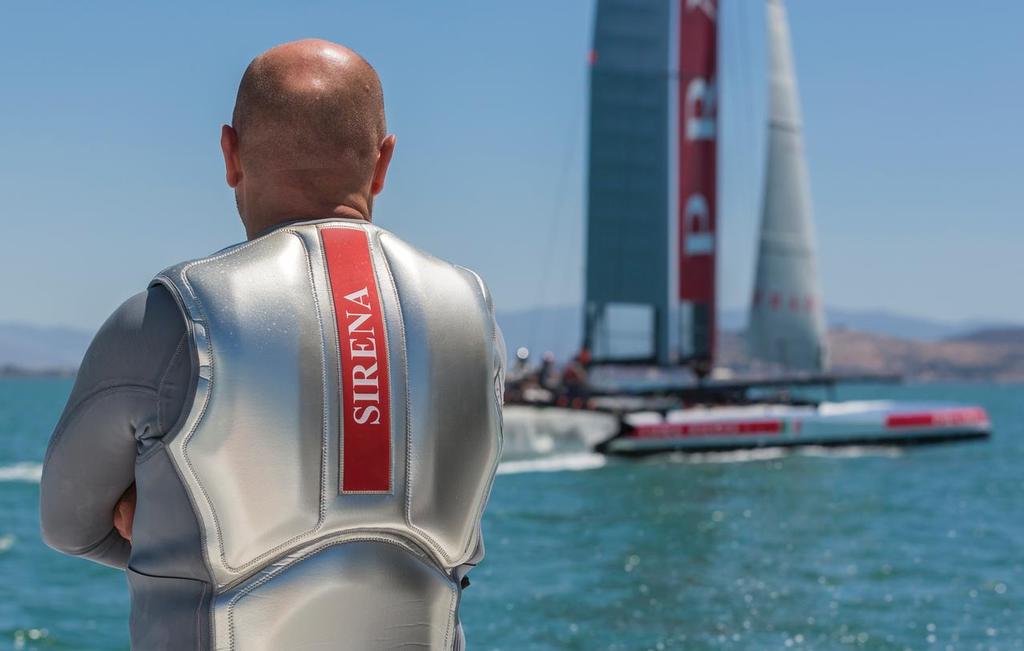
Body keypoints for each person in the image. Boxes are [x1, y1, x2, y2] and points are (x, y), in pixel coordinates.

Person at [39, 39, 505, 650]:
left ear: (229, 153)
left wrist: (162, 516)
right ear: (383, 163)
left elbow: (68, 524)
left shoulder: (172, 317)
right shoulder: (475, 313)